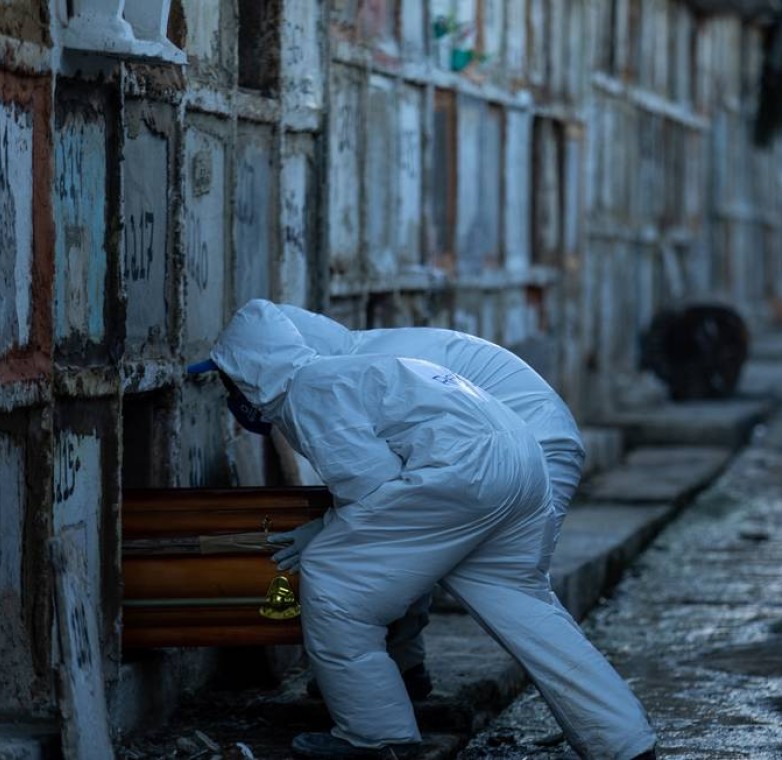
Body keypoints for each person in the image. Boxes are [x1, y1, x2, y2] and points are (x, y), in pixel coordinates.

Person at [191, 299, 656, 760]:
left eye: (231, 377)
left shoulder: (312, 388)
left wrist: (325, 529)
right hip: (522, 458)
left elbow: (371, 485)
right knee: (521, 604)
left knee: (333, 582)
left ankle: (377, 736)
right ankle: (624, 742)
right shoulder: (367, 362)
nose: (231, 392)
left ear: (254, 368)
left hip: (475, 468)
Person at [269, 304, 586, 700]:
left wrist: (326, 529)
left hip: (525, 449)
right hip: (527, 444)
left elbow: (376, 492)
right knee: (420, 551)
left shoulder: (343, 376)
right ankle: (404, 668)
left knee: (507, 595)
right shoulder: (359, 356)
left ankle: (381, 698)